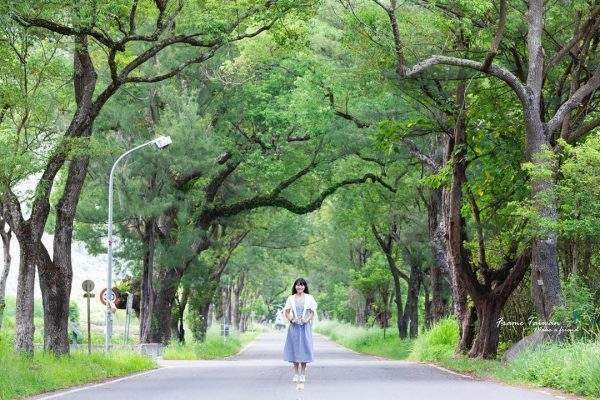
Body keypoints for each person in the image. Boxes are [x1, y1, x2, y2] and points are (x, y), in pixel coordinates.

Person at [282, 277, 317, 383]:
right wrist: (292, 320)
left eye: (302, 285)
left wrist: (306, 320)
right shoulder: (291, 298)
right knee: (295, 349)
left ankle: (303, 374)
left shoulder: (309, 298)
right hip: (294, 327)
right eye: (298, 285)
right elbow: (286, 311)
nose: (299, 287)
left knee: (305, 348)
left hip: (305, 326)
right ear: (295, 286)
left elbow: (312, 311)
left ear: (304, 286)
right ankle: (296, 373)